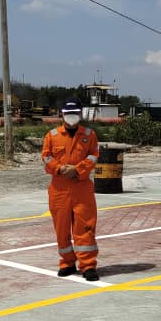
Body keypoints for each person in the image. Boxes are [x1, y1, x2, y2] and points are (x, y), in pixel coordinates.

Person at [42, 101, 101, 281]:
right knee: (61, 229)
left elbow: (93, 156)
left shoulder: (89, 135)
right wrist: (60, 169)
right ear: (62, 115)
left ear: (80, 114)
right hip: (59, 189)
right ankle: (67, 263)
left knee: (85, 227)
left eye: (75, 113)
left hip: (81, 188)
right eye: (68, 113)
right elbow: (46, 157)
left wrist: (77, 169)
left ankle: (88, 266)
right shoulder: (52, 135)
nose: (71, 116)